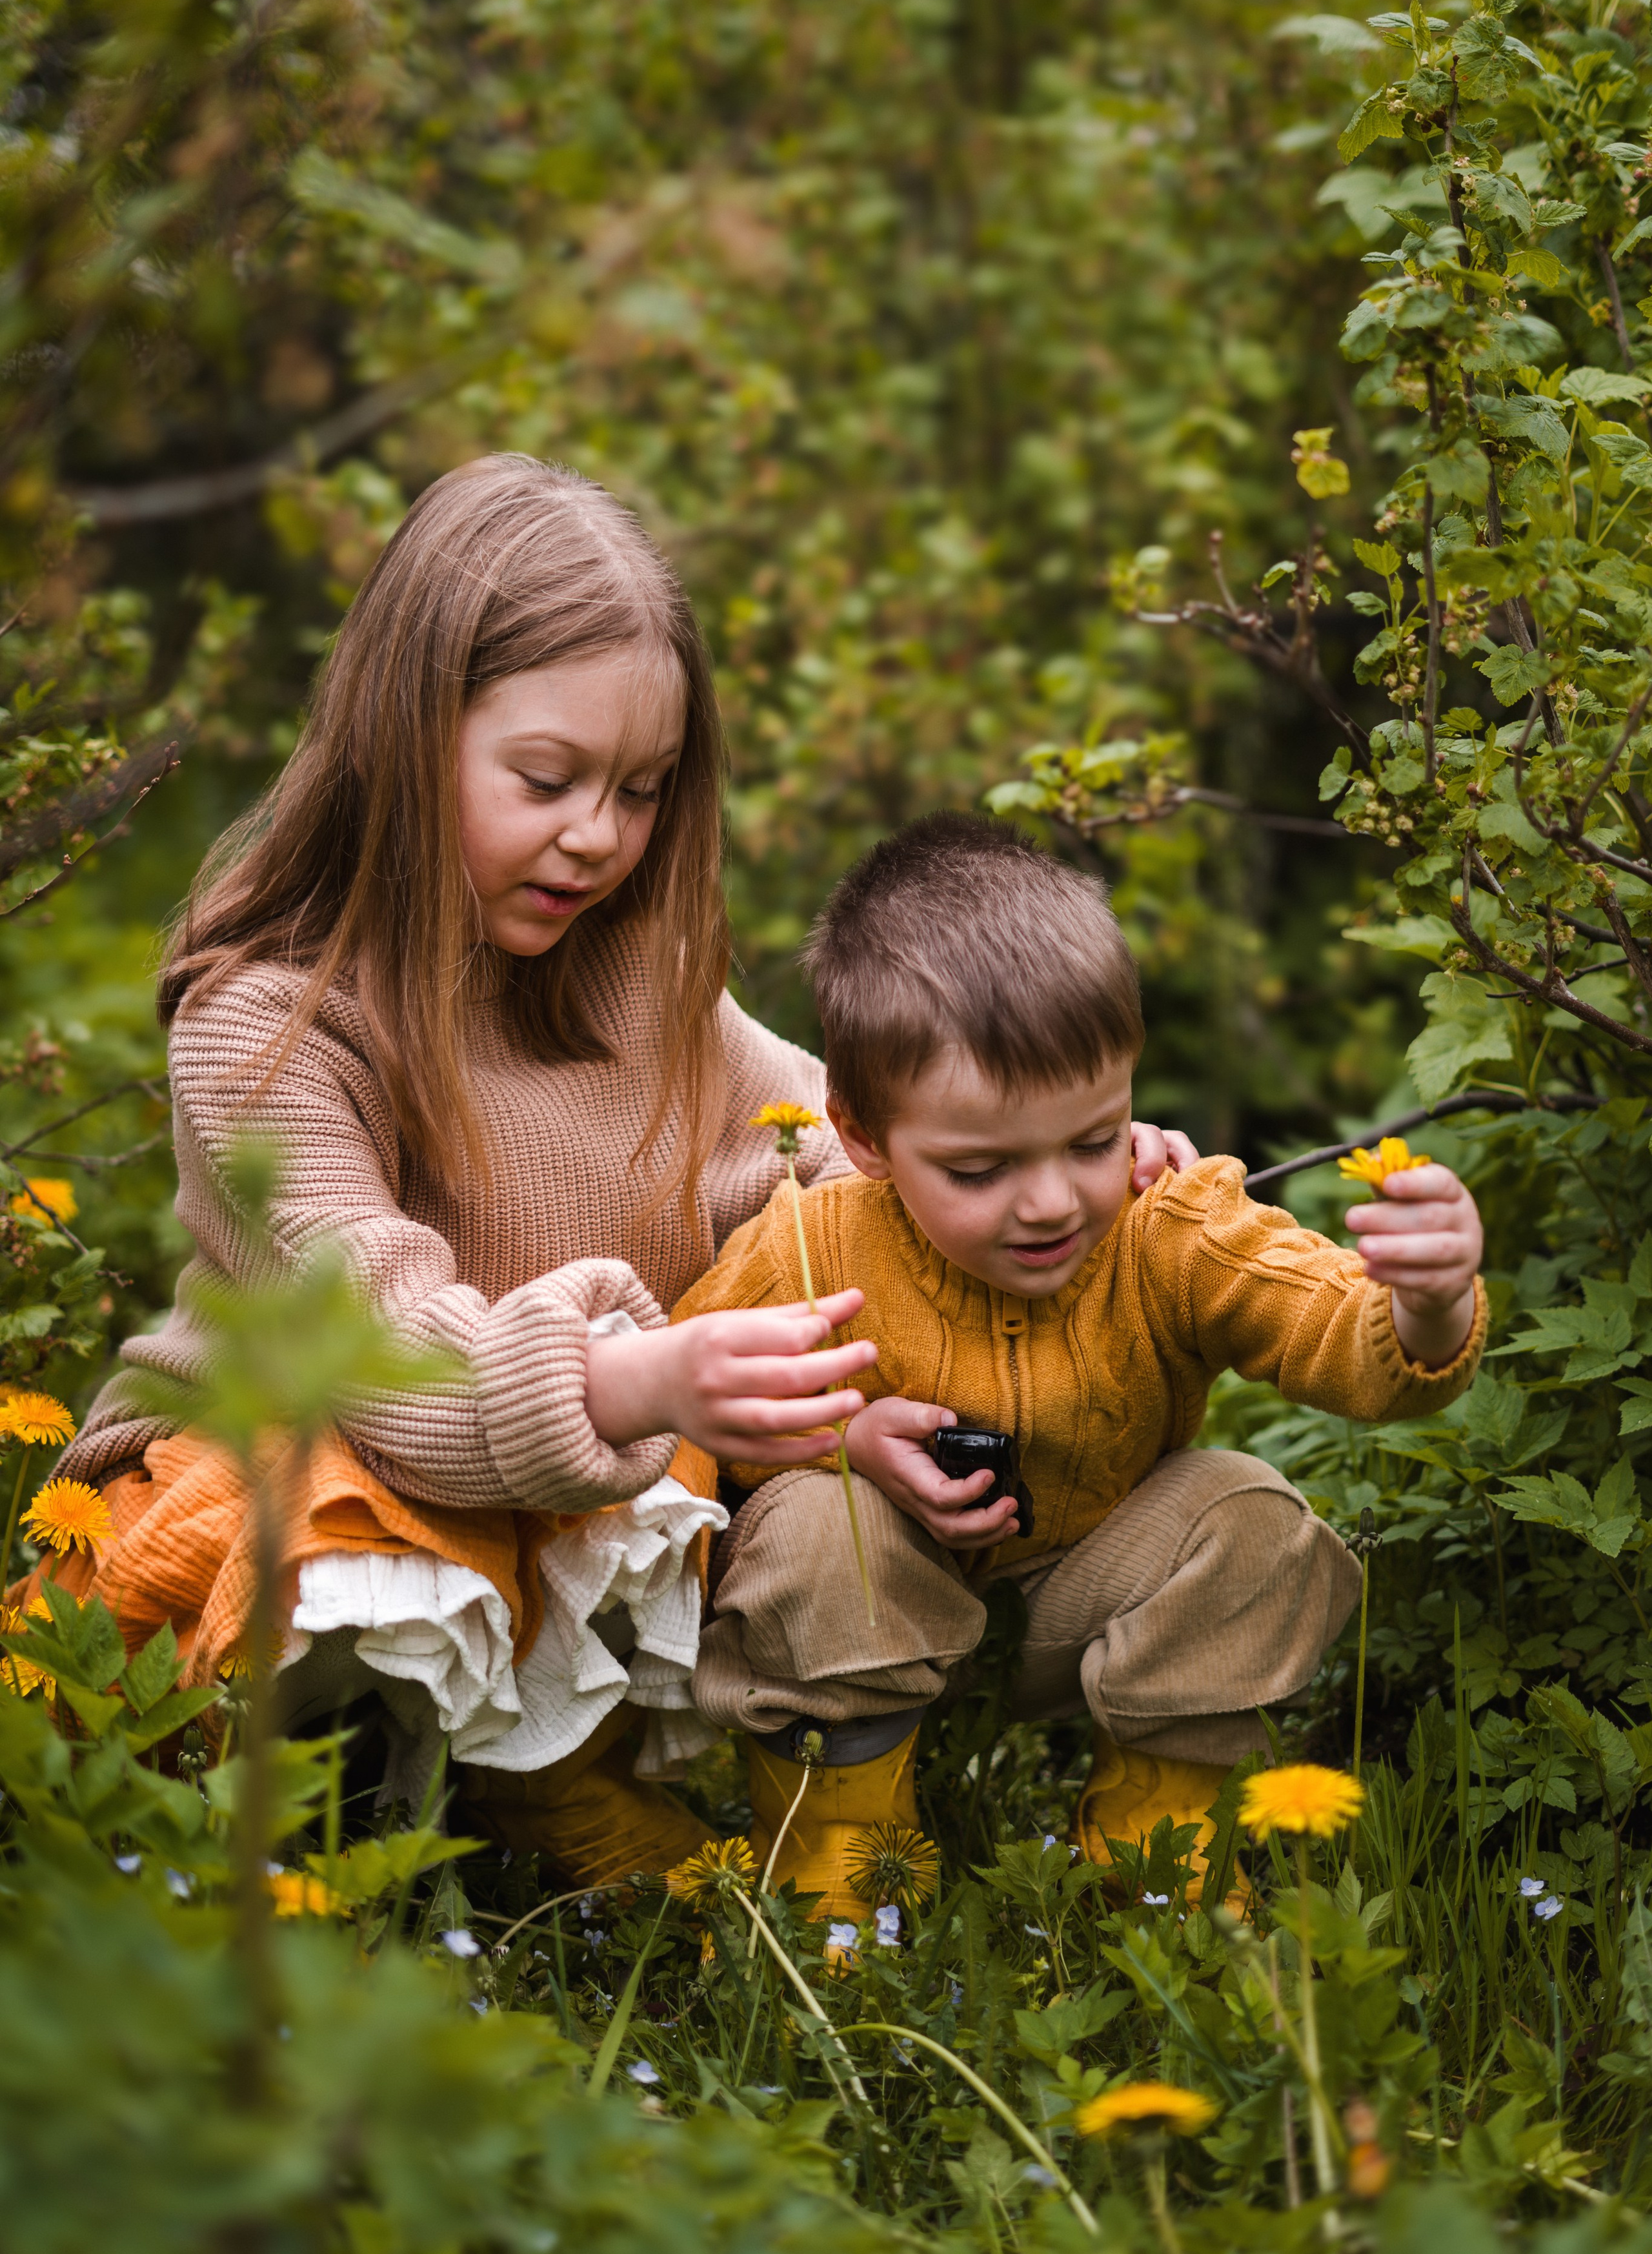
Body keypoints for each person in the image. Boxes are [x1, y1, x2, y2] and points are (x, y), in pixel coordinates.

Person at [34, 458, 1190, 1887]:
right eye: (546, 779)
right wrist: (644, 1385)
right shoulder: (269, 1026)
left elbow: (852, 1175)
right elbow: (378, 1345)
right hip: (341, 1452)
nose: (596, 835)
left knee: (753, 1477)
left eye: (639, 792)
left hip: (578, 1484)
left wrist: (1049, 1179)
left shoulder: (645, 987)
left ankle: (549, 1798)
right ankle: (300, 1839)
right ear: (405, 733)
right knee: (325, 1511)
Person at [677, 813, 1487, 1913]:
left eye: (1093, 1140)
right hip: (862, 1621)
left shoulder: (1165, 1223)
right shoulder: (809, 1247)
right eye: (980, 1168)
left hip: (1084, 1606)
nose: (1053, 1201)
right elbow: (681, 1440)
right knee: (820, 1526)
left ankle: (1155, 1853)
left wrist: (1426, 1304)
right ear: (863, 1136)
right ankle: (839, 1874)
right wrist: (840, 1443)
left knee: (1249, 1510)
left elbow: (1337, 1336)